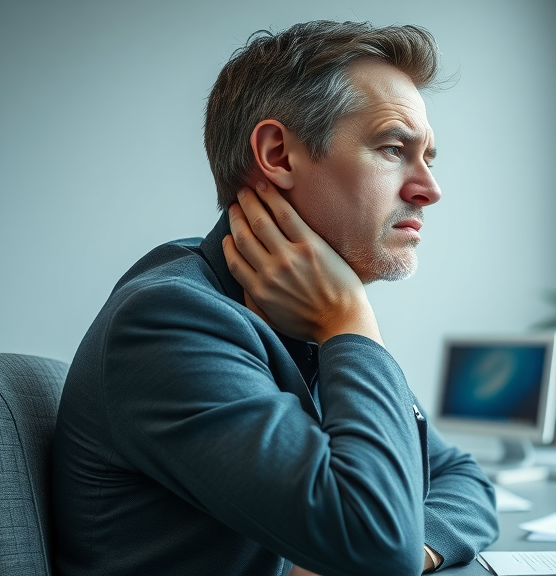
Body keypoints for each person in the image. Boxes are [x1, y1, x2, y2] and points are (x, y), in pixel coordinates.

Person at [51, 20, 499, 576]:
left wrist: (421, 544)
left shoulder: (296, 314)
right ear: (278, 154)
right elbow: (376, 547)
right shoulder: (169, 323)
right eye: (393, 148)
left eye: (428, 157)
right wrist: (352, 323)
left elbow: (462, 477)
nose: (429, 189)